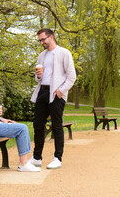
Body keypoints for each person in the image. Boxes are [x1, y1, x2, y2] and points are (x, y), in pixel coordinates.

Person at [29, 28, 76, 169]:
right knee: (38, 125)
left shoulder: (64, 53)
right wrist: (38, 76)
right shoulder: (41, 55)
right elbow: (39, 78)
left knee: (57, 125)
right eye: (40, 40)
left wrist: (61, 91)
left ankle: (57, 158)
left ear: (51, 37)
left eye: (43, 39)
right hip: (42, 92)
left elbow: (71, 76)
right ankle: (37, 157)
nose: (42, 42)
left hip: (56, 94)